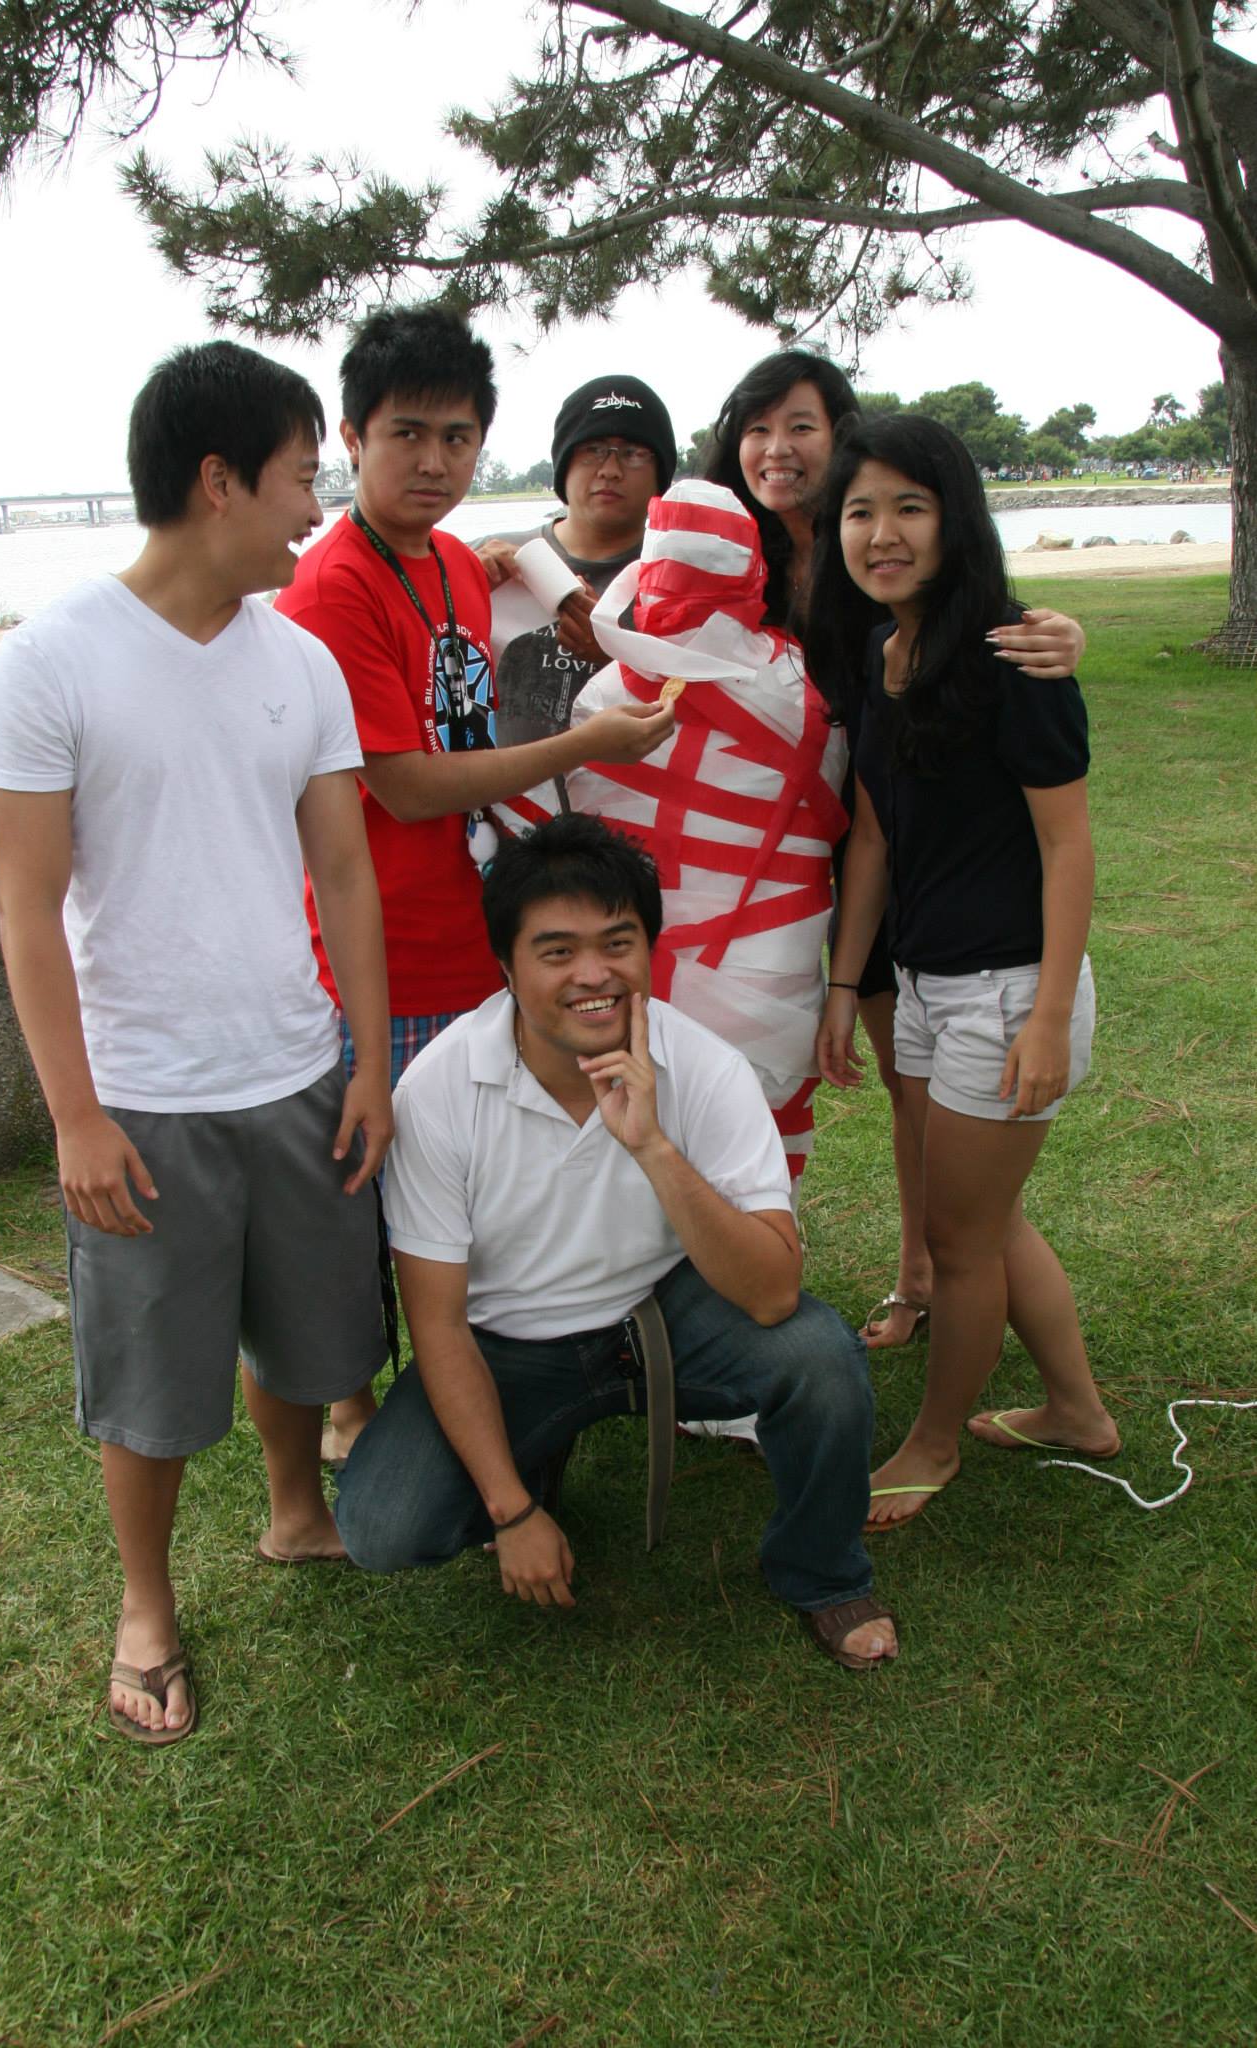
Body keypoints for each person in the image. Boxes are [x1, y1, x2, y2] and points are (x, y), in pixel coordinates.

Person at [0, 340, 394, 1744]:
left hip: (297, 1068)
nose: (315, 509)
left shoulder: (299, 660)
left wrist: (369, 1063)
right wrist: (75, 1117)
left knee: (308, 1333)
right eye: (299, 479)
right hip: (143, 1096)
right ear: (219, 481)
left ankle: (294, 1510)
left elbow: (344, 872)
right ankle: (145, 1606)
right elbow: (27, 914)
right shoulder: (49, 664)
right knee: (149, 1381)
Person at [336, 813, 898, 1671]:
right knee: (382, 1525)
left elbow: (773, 1293)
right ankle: (531, 1465)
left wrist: (651, 1146)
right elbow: (439, 1326)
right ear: (506, 965)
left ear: (649, 951)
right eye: (557, 951)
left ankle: (823, 1572)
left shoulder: (703, 1066)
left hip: (663, 1310)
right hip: (508, 1343)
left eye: (618, 944)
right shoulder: (440, 1089)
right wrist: (511, 1512)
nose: (593, 974)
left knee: (820, 1359)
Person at [277, 311, 676, 1462]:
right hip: (385, 954)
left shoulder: (454, 560)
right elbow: (402, 784)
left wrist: (510, 562)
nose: (434, 461)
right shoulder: (331, 588)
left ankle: (476, 1386)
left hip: (478, 943)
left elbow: (473, 626)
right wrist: (583, 742)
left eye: (458, 437)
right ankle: (352, 1404)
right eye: (406, 434)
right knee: (368, 1198)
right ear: (352, 437)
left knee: (475, 1189)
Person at [704, 350, 1089, 1350]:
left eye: (800, 424)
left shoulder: (893, 583)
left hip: (914, 875)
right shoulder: (726, 553)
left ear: (838, 435)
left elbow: (982, 629)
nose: (776, 448)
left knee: (923, 1096)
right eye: (756, 426)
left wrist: (1060, 633)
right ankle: (948, 1264)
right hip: (795, 867)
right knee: (891, 1073)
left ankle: (933, 1271)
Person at [810, 413, 1118, 1529]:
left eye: (910, 506)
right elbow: (873, 839)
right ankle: (1076, 1411)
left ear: (955, 520)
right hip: (928, 986)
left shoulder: (1015, 656)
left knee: (961, 1241)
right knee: (988, 1221)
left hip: (1008, 990)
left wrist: (1047, 1016)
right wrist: (843, 985)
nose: (882, 533)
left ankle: (933, 1444)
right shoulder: (880, 653)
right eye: (860, 511)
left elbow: (1067, 846)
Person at [477, 374, 677, 769]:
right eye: (593, 450)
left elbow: (710, 711)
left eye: (634, 453)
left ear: (661, 473)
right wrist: (453, 582)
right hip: (498, 796)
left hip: (630, 801)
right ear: (564, 465)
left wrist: (616, 653)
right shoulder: (487, 557)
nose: (611, 469)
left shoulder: (680, 579)